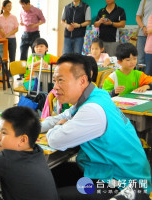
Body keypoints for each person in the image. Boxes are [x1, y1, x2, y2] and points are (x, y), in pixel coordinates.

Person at [41, 53, 151, 199]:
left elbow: (55, 140)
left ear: (82, 81)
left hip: (123, 186)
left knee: (52, 195)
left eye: (61, 80)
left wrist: (58, 127)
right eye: (55, 81)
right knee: (47, 175)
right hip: (107, 171)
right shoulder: (97, 94)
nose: (55, 87)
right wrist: (32, 127)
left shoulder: (92, 109)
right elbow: (63, 116)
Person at [136, 0, 152, 65]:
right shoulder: (144, 1)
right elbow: (137, 17)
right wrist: (143, 27)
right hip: (143, 34)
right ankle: (140, 75)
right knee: (140, 59)